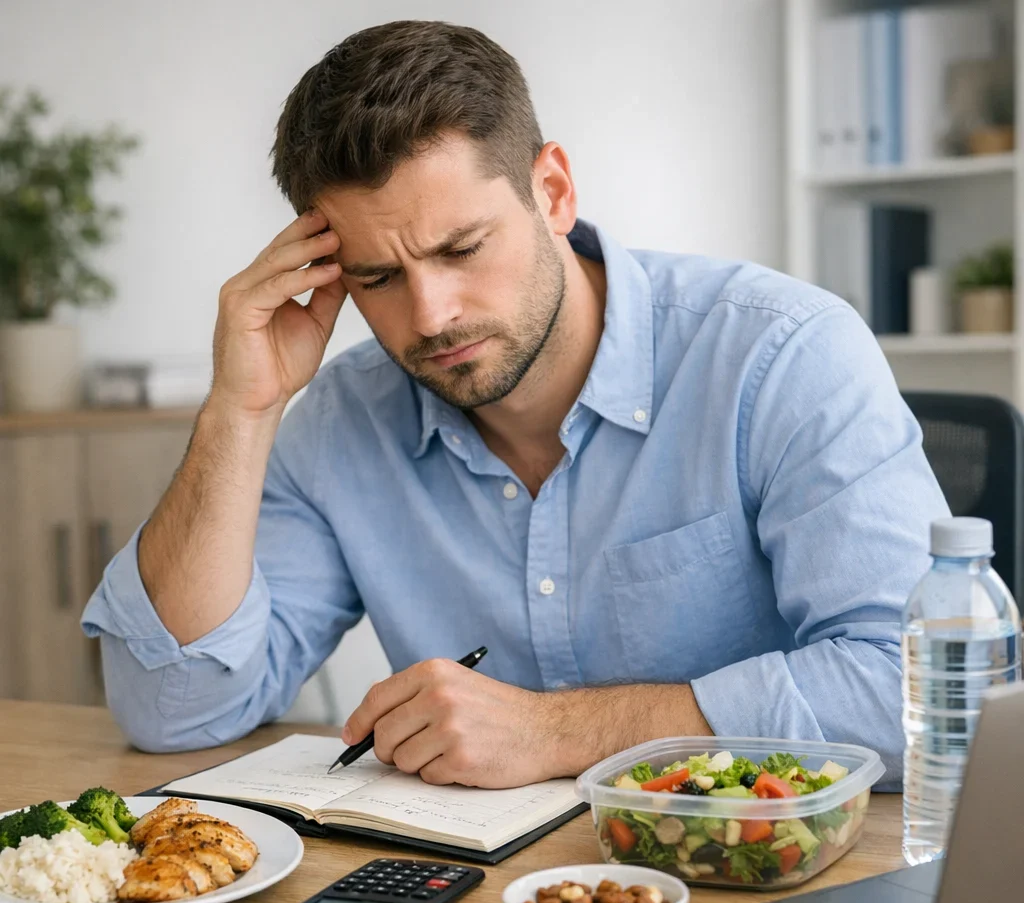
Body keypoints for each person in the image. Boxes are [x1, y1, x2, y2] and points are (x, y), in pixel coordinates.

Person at [82, 20, 948, 788]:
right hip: (480, 895)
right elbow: (174, 710)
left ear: (554, 192)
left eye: (461, 249)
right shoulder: (343, 422)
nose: (431, 316)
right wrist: (239, 411)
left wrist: (558, 732)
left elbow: (927, 691)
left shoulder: (782, 355)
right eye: (377, 278)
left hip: (757, 874)